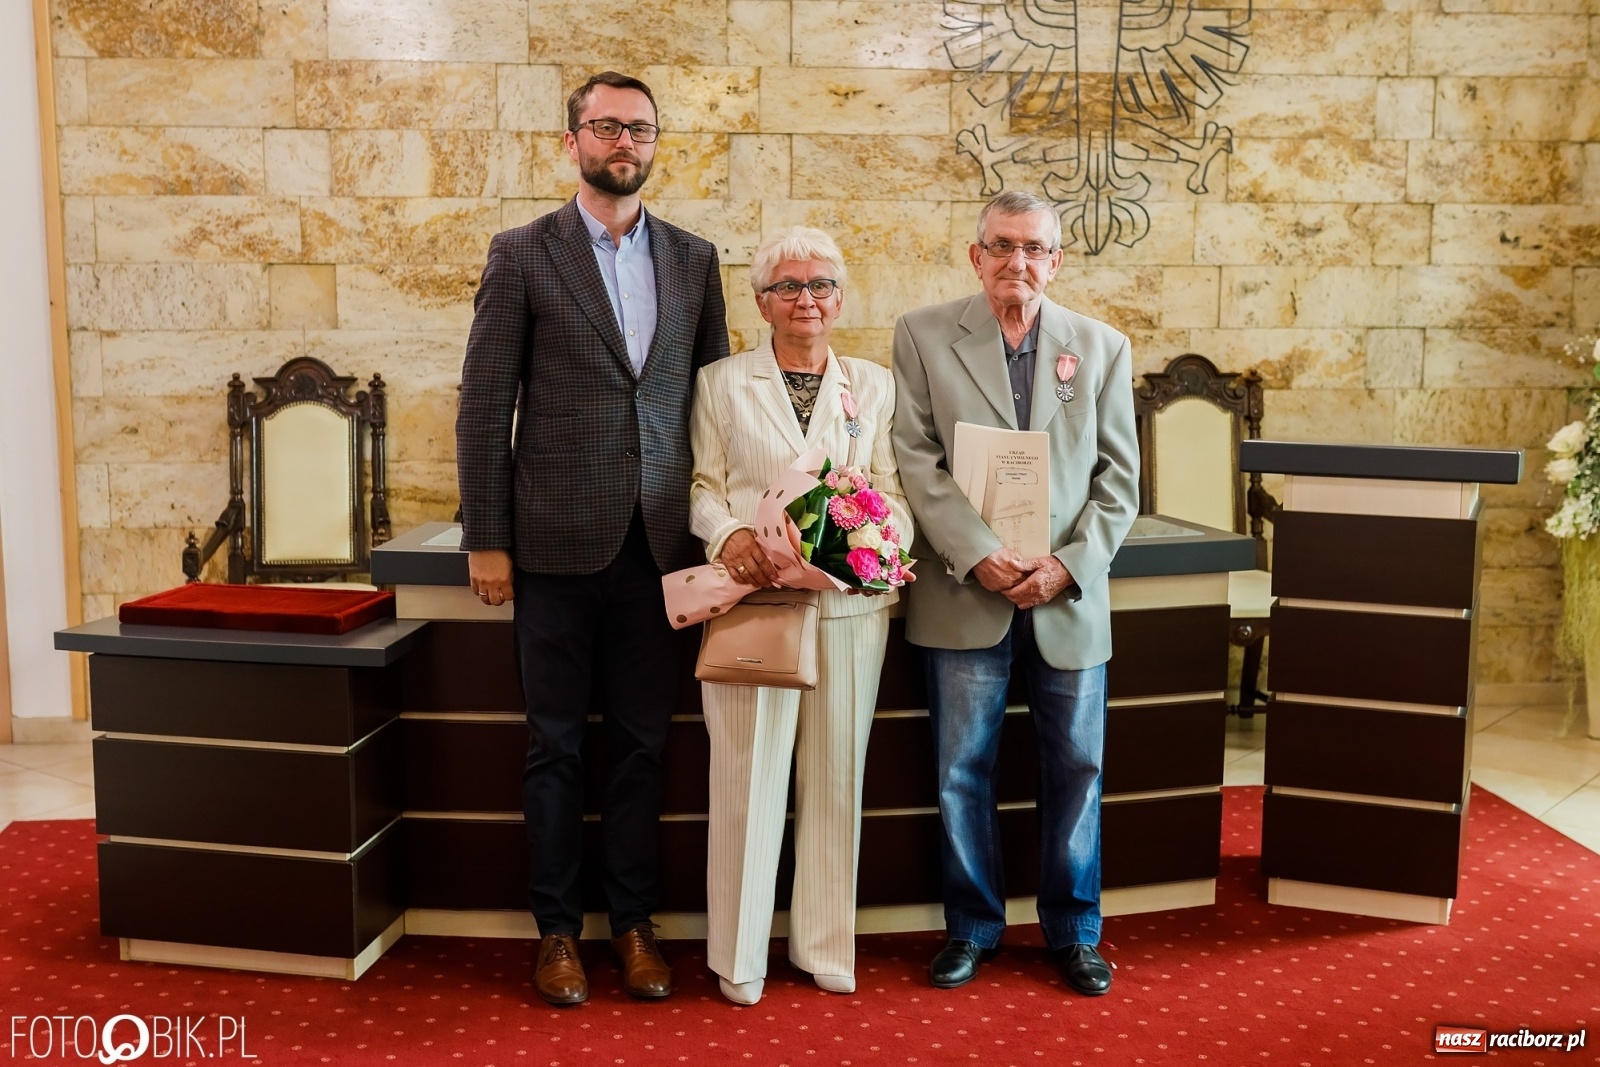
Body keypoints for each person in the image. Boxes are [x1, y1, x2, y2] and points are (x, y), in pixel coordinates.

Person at [455, 70, 729, 1007]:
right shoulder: (525, 253)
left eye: (640, 129)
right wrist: (486, 538)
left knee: (645, 747)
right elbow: (486, 406)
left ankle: (634, 925)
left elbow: (713, 407)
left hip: (661, 551)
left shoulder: (695, 260)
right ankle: (559, 932)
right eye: (606, 126)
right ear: (571, 141)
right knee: (555, 747)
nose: (625, 141)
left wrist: (725, 530)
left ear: (656, 143)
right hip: (554, 549)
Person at [889, 190, 1139, 996]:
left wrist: (1069, 564)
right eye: (1001, 246)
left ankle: (1074, 931)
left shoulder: (1100, 347)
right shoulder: (923, 335)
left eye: (1033, 249)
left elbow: (1120, 482)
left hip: (1067, 595)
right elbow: (914, 458)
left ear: (1056, 260)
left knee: (1078, 764)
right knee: (963, 766)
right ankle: (971, 927)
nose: (1016, 263)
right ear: (975, 254)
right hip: (968, 591)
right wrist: (978, 553)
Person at [688, 227, 911, 1006]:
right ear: (760, 302)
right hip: (756, 602)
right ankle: (739, 953)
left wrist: (878, 545)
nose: (805, 299)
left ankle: (823, 943)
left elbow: (892, 488)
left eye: (819, 285)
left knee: (835, 777)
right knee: (748, 779)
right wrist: (732, 534)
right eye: (788, 286)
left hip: (851, 607)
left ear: (840, 299)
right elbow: (700, 486)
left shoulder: (873, 385)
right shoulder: (720, 382)